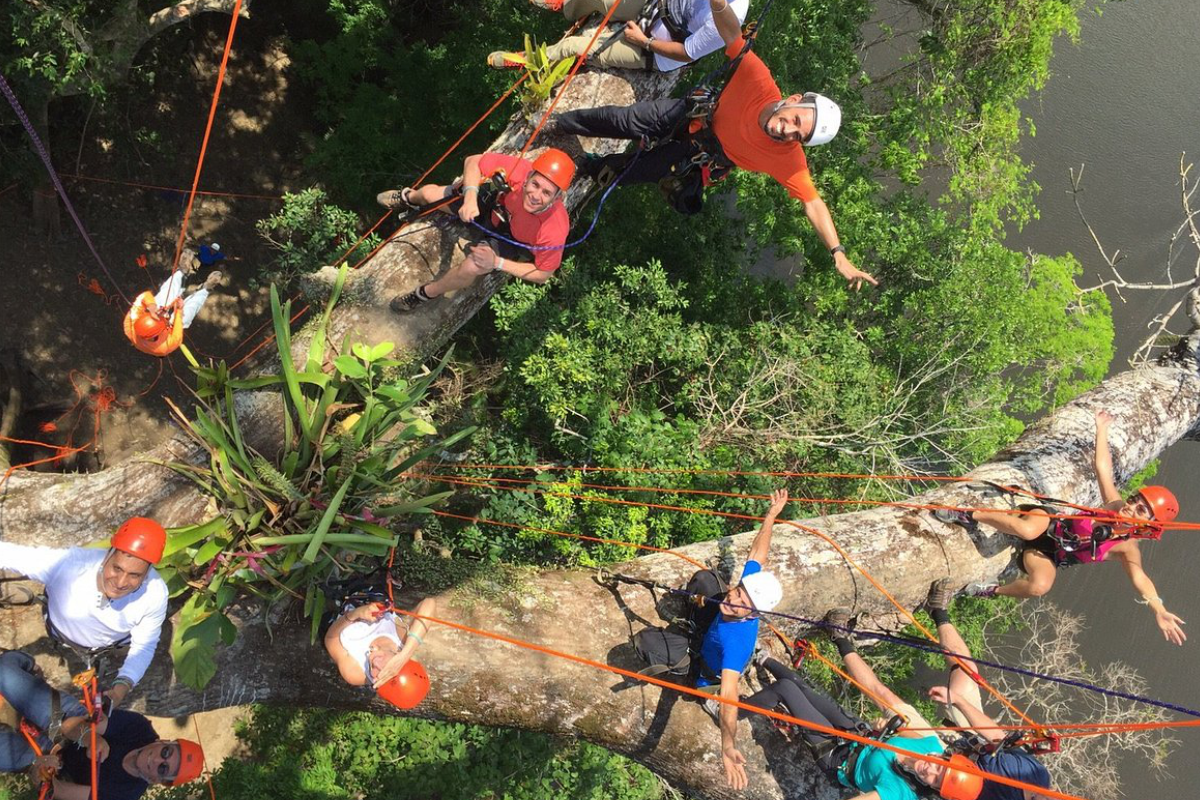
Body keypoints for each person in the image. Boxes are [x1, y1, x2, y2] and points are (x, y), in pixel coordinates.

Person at [547, 0, 877, 289]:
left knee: (625, 172)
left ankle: (583, 165)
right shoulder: (759, 80)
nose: (788, 132)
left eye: (798, 136)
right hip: (696, 115)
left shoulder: (787, 158)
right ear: (792, 101)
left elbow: (813, 203)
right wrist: (719, 3)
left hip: (698, 154)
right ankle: (559, 123)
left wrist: (838, 253)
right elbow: (732, 35)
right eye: (795, 121)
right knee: (627, 121)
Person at [933, 410, 1186, 646]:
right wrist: (1101, 431)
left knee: (1040, 586)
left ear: (1147, 526)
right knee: (1029, 530)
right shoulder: (1114, 505)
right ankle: (969, 514)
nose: (1129, 507)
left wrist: (1159, 609)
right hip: (1047, 522)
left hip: (1049, 553)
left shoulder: (1127, 548)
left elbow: (1141, 578)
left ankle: (990, 590)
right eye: (1134, 500)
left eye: (1140, 510)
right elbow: (1103, 470)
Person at [736, 600, 991, 800]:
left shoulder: (900, 793)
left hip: (837, 757)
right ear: (945, 758)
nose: (930, 771)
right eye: (940, 768)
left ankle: (731, 711)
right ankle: (762, 658)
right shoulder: (931, 746)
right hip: (858, 734)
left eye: (936, 780)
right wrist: (884, 728)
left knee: (786, 690)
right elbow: (901, 730)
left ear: (934, 790)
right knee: (804, 686)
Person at [632, 489, 788, 790]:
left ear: (753, 614)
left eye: (744, 601)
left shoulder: (737, 642)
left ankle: (702, 694)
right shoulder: (741, 597)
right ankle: (695, 623)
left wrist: (727, 745)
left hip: (705, 668)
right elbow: (758, 554)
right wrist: (770, 516)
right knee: (704, 579)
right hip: (711, 633)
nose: (735, 598)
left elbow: (730, 694)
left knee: (645, 643)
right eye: (738, 590)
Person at [0, 518, 171, 709]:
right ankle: (28, 597)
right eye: (117, 568)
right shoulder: (70, 565)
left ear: (147, 573)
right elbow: (9, 554)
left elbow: (144, 646)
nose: (121, 582)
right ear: (107, 555)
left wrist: (120, 688)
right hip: (59, 630)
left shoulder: (155, 594)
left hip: (107, 644)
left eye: (135, 575)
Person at [379, 148, 576, 313]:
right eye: (535, 185)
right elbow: (473, 161)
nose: (535, 195)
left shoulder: (554, 228)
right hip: (495, 208)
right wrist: (470, 198)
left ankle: (426, 293)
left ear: (556, 198)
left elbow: (543, 274)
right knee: (431, 194)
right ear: (528, 178)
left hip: (509, 238)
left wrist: (497, 262)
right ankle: (408, 197)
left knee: (472, 267)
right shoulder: (520, 170)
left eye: (546, 193)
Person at [0, 649, 204, 800]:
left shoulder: (124, 794)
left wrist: (42, 772)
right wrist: (91, 739)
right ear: (164, 742)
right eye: (166, 752)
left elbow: (56, 790)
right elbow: (70, 725)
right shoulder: (139, 729)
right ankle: (27, 665)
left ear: (160, 782)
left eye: (163, 769)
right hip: (66, 723)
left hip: (49, 759)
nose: (158, 760)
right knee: (4, 673)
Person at [488, 0, 750, 74]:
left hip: (655, 49)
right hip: (656, 6)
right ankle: (566, 5)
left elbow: (687, 52)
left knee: (575, 46)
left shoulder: (729, 20)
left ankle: (533, 60)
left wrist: (643, 41)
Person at [323, 591, 436, 708]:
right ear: (399, 659)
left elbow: (331, 638)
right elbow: (429, 603)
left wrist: (355, 614)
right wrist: (406, 653)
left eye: (377, 678)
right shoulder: (402, 638)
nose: (375, 664)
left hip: (340, 613)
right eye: (387, 668)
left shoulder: (354, 673)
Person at [123, 249, 222, 357]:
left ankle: (182, 273)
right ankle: (206, 289)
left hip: (154, 320)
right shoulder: (167, 345)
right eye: (161, 317)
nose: (161, 313)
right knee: (187, 313)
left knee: (165, 296)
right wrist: (179, 310)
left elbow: (143, 296)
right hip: (169, 328)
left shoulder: (131, 322)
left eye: (156, 315)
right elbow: (177, 329)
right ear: (161, 331)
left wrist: (152, 307)